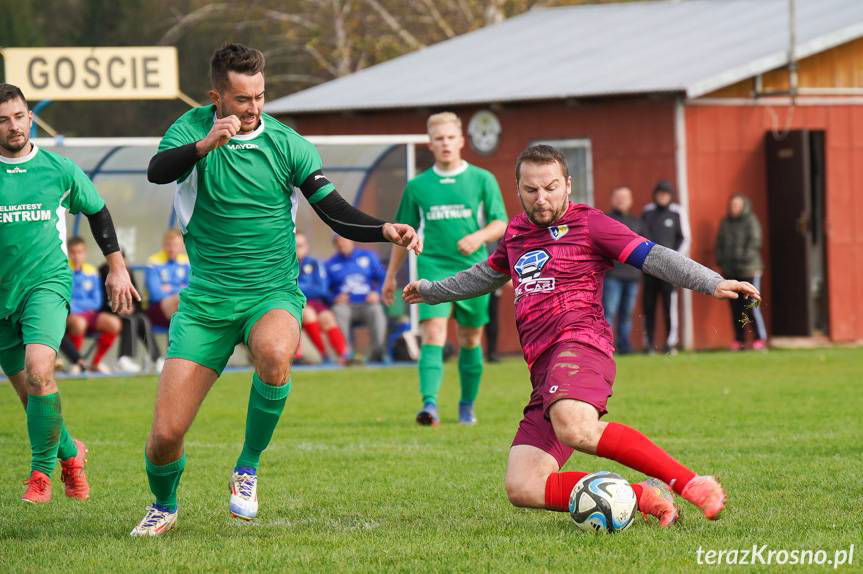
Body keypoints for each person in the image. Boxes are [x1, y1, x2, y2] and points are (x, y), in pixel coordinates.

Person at [134, 44, 420, 536]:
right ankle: (165, 504)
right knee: (164, 436)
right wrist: (205, 145)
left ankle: (246, 467)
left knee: (273, 352)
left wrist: (383, 229)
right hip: (205, 302)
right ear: (216, 97)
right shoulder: (190, 130)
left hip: (272, 292)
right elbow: (158, 171)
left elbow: (334, 211)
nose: (253, 109)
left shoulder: (289, 144)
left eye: (260, 97)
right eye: (242, 100)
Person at [403, 145, 760, 526]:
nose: (541, 199)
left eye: (551, 187)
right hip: (544, 371)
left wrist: (713, 282)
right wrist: (432, 290)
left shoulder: (591, 224)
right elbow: (486, 275)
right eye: (531, 190)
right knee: (523, 486)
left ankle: (693, 484)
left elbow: (653, 255)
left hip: (580, 344)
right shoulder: (517, 232)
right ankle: (643, 494)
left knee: (575, 427)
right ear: (518, 189)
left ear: (568, 185)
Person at [0, 83, 139, 504]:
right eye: (3, 120)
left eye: (19, 116)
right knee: (32, 396)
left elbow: (97, 210)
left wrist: (116, 266)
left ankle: (40, 473)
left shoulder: (58, 169)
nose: (13, 126)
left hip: (46, 284)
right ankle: (70, 453)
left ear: (30, 117)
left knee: (41, 371)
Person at [383, 112, 507, 426]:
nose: (446, 144)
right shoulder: (418, 186)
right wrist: (390, 277)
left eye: (451, 137)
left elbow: (500, 222)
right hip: (432, 265)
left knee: (469, 339)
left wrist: (478, 237)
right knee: (433, 333)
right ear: (431, 144)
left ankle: (466, 406)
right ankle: (429, 406)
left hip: (474, 269)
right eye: (439, 139)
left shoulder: (482, 179)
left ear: (461, 141)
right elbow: (402, 233)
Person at [641, 180, 690, 354]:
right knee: (649, 306)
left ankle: (671, 343)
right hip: (649, 268)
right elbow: (640, 237)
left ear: (670, 196)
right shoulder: (647, 212)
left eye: (666, 194)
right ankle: (649, 343)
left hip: (669, 270)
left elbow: (684, 238)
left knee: (670, 305)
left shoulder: (677, 212)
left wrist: (673, 260)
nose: (662, 197)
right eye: (660, 193)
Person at [715, 193, 767, 351]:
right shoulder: (725, 223)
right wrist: (722, 261)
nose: (734, 208)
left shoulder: (751, 221)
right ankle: (740, 340)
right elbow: (719, 244)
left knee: (751, 304)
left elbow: (755, 243)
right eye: (732, 205)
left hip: (749, 269)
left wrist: (740, 258)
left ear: (744, 206)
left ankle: (759, 338)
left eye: (737, 205)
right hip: (730, 271)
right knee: (735, 308)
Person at [99, 250, 163, 374]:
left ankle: (155, 357)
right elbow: (103, 297)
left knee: (142, 319)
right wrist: (118, 306)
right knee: (130, 320)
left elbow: (136, 296)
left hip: (128, 310)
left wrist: (132, 306)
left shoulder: (127, 272)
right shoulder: (103, 272)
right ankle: (124, 358)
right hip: (110, 311)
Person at [326, 236, 388, 362]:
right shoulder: (330, 264)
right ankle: (346, 354)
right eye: (338, 242)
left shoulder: (368, 257)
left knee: (376, 310)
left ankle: (378, 352)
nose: (342, 244)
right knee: (338, 311)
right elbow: (324, 289)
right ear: (335, 245)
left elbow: (384, 278)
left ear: (351, 240)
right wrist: (334, 298)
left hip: (367, 303)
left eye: (344, 240)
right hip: (346, 306)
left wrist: (376, 293)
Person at [67, 237, 123, 374]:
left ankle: (95, 363)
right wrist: (79, 306)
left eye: (79, 252)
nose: (76, 256)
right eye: (73, 252)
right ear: (68, 253)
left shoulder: (92, 271)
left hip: (90, 314)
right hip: (70, 316)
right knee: (79, 323)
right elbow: (66, 301)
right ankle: (77, 363)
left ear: (85, 253)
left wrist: (78, 304)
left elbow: (97, 302)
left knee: (114, 323)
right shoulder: (63, 270)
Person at [295, 231, 348, 363]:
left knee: (327, 317)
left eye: (301, 245)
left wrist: (300, 287)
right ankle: (324, 355)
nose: (298, 249)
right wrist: (308, 287)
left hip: (315, 302)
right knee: (308, 314)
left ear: (307, 246)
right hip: (296, 304)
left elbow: (321, 289)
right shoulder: (286, 265)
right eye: (295, 245)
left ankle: (344, 356)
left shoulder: (314, 263)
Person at [603, 187, 643, 354]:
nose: (621, 200)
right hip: (613, 275)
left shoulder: (637, 222)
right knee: (609, 312)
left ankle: (625, 346)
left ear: (631, 200)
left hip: (633, 276)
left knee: (627, 314)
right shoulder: (606, 220)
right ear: (612, 199)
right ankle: (605, 346)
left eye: (625, 197)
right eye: (618, 197)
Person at [145, 229, 190, 328]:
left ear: (182, 246)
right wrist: (180, 288)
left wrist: (171, 288)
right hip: (156, 308)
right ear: (163, 245)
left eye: (176, 245)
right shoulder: (154, 262)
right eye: (168, 245)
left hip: (179, 306)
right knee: (181, 300)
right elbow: (155, 294)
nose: (171, 249)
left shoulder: (186, 262)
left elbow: (192, 288)